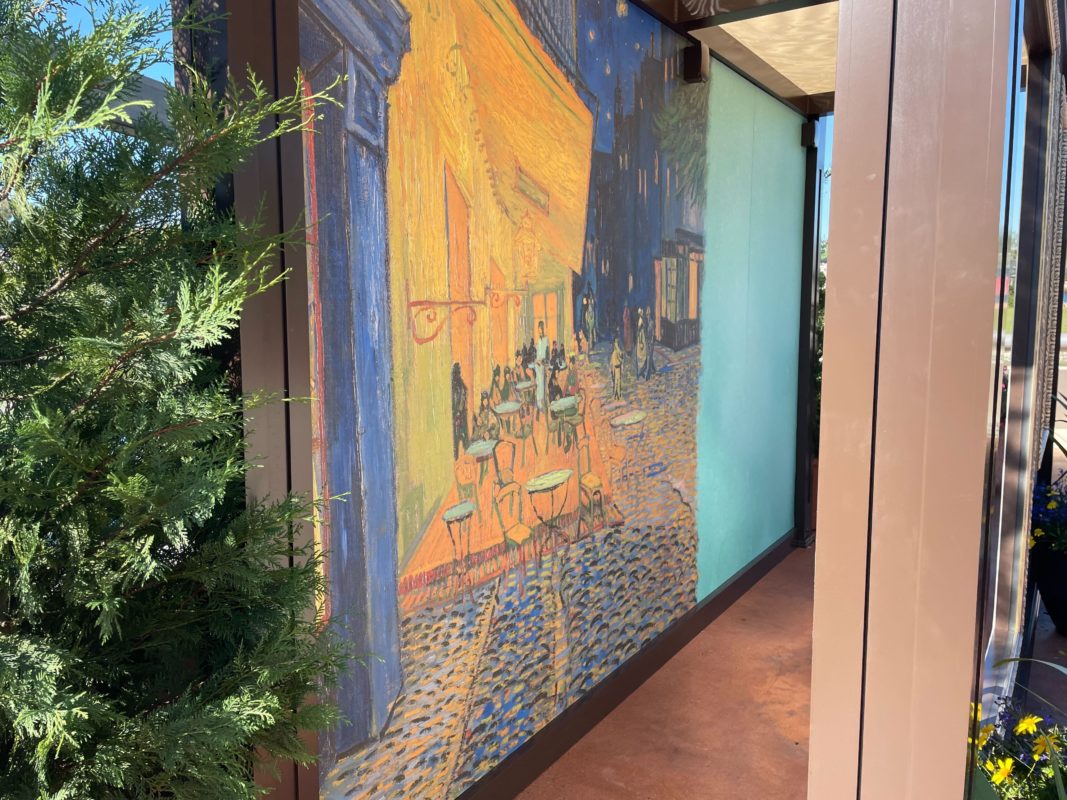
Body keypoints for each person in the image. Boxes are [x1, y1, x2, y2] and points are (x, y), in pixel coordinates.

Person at [451, 362, 469, 459]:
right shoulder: (453, 384)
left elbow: (463, 395)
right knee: (456, 437)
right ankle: (456, 456)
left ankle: (466, 455)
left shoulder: (460, 384)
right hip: (456, 414)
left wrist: (459, 410)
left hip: (460, 415)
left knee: (463, 436)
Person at [534, 321, 549, 415]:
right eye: (538, 330)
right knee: (538, 384)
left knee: (543, 385)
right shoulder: (538, 341)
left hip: (543, 366)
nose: (539, 332)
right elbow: (537, 354)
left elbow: (547, 355)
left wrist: (542, 361)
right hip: (538, 366)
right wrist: (537, 360)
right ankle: (539, 405)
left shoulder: (546, 340)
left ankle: (543, 404)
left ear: (543, 329)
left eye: (541, 330)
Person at [610, 336, 624, 401]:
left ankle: (617, 394)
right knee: (616, 382)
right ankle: (617, 394)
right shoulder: (615, 353)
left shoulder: (616, 352)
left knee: (617, 382)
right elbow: (613, 362)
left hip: (617, 368)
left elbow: (620, 358)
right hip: (616, 368)